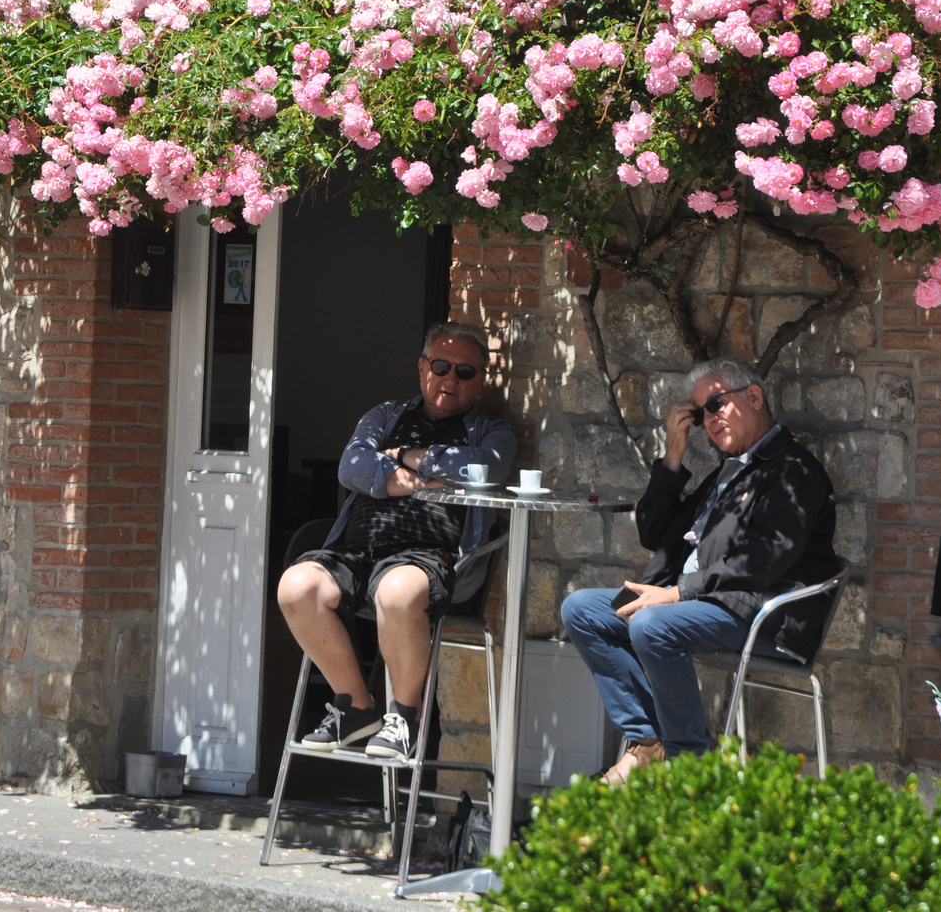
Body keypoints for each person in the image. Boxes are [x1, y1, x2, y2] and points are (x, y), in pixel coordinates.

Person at [560, 356, 838, 787]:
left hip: (763, 614)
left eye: (716, 405)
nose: (708, 419)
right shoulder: (727, 472)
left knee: (652, 625)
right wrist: (674, 454)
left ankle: (691, 762)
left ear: (754, 396)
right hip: (702, 601)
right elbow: (654, 533)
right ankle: (649, 739)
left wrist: (678, 592)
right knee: (581, 609)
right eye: (700, 413)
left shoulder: (794, 471)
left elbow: (766, 561)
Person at [276, 322, 517, 759]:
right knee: (296, 587)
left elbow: (485, 469)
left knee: (397, 592)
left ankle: (404, 717)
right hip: (356, 549)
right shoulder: (385, 416)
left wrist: (401, 457)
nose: (450, 380)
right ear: (422, 367)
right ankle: (355, 707)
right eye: (441, 366)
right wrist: (424, 478)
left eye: (465, 373)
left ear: (480, 381)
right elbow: (351, 466)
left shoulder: (491, 433)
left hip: (428, 555)